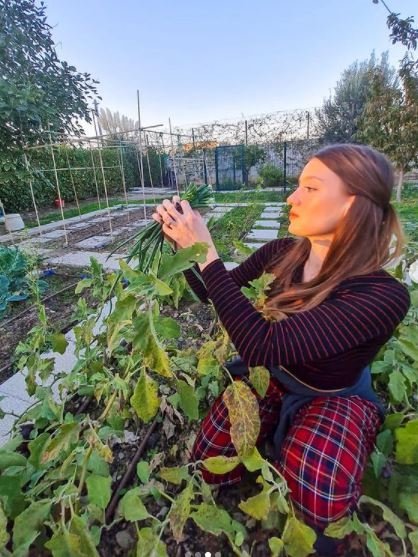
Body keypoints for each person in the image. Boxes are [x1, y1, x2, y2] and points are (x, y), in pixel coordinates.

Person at [152, 144, 410, 555]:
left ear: (352, 205)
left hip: (333, 393)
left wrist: (209, 251)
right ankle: (274, 431)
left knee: (318, 490)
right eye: (297, 186)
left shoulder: (382, 295)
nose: (292, 198)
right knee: (208, 456)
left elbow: (260, 344)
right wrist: (185, 247)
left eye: (310, 187)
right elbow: (209, 290)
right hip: (274, 373)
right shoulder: (281, 254)